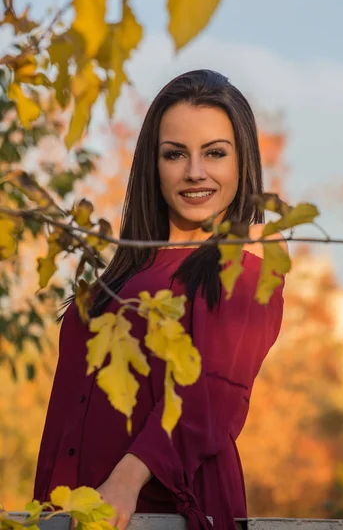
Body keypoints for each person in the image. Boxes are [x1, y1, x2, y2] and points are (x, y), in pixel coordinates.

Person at [33, 69, 286, 530]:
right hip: (73, 513)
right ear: (154, 163)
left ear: (241, 161)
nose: (195, 172)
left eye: (215, 153)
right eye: (175, 154)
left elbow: (212, 395)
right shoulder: (127, 267)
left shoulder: (249, 250)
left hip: (161, 512)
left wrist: (125, 482)